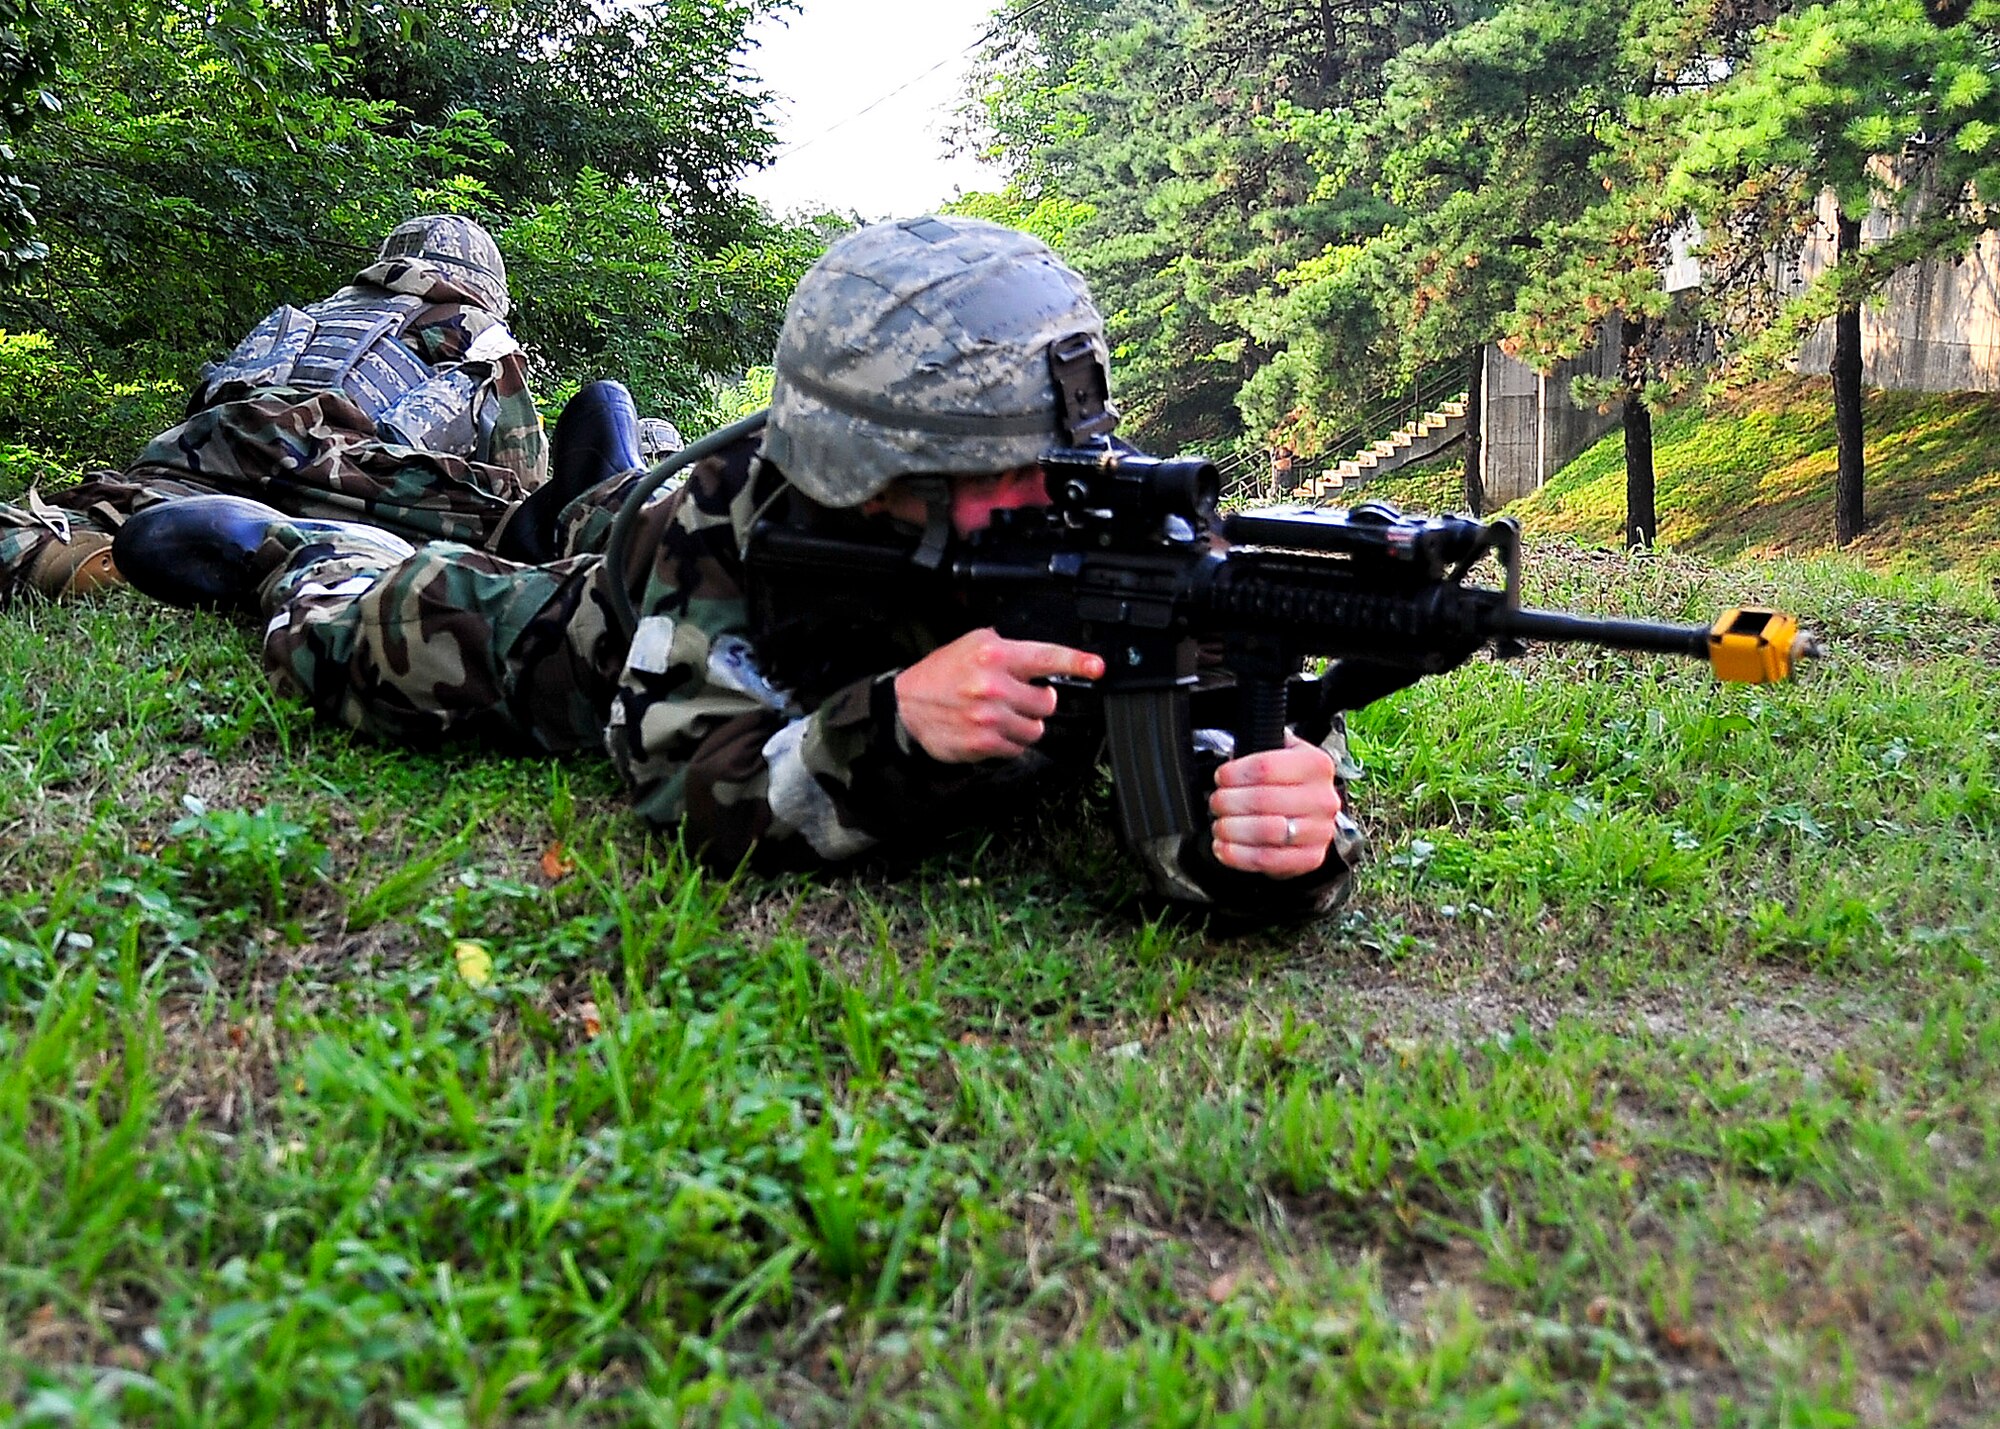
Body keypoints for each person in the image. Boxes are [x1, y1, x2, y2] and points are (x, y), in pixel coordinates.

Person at [112, 217, 1361, 917]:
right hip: (588, 632)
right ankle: (291, 551)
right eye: (994, 469)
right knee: (399, 630)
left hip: (665, 543)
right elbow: (683, 787)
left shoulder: (1088, 495)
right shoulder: (730, 514)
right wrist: (896, 727)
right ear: (873, 463)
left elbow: (1229, 720)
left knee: (579, 504)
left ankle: (581, 486)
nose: (1044, 490)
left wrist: (1286, 814)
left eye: (1056, 453)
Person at [0, 214, 553, 607]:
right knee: (519, 533)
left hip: (200, 463)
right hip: (350, 482)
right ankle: (275, 561)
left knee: (52, 520)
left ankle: (87, 555)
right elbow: (525, 485)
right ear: (483, 286)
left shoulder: (312, 315)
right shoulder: (481, 339)